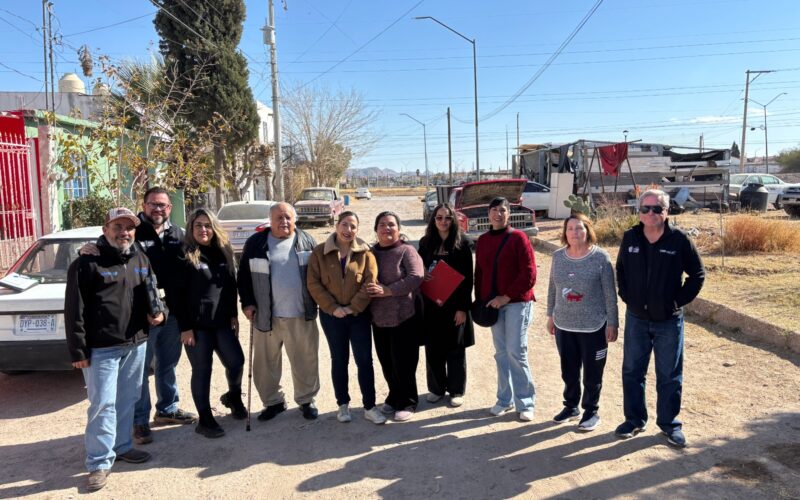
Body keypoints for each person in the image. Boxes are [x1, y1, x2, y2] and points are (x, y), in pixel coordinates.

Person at [82, 187, 196, 444]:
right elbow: (107, 246)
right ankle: (139, 420)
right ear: (144, 206)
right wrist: (87, 248)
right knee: (141, 371)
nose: (158, 209)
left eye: (163, 205)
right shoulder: (132, 230)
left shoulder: (178, 234)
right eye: (153, 204)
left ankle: (167, 409)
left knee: (168, 363)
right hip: (142, 316)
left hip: (172, 313)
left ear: (170, 208)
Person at [65, 207, 164, 492]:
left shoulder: (140, 258)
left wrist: (161, 313)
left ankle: (121, 446)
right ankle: (98, 462)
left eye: (129, 227)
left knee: (127, 399)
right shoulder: (86, 263)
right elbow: (74, 309)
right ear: (105, 230)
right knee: (102, 405)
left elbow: (153, 291)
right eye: (117, 227)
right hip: (101, 348)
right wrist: (78, 351)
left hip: (136, 343)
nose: (124, 232)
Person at [615, 189, 705, 448]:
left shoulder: (679, 240)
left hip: (668, 321)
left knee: (669, 374)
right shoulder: (630, 237)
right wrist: (627, 297)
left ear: (666, 211)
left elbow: (697, 275)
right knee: (632, 371)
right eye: (646, 208)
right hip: (637, 318)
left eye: (657, 208)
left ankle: (669, 424)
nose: (651, 213)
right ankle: (634, 420)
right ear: (639, 211)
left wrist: (676, 302)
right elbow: (621, 269)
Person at [238, 202, 321, 422]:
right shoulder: (256, 243)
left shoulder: (307, 241)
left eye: (288, 217)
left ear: (295, 220)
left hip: (301, 314)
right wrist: (247, 303)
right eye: (279, 218)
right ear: (270, 220)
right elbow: (243, 277)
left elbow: (319, 276)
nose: (284, 222)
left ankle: (306, 400)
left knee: (305, 360)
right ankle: (273, 402)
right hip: (266, 316)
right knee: (265, 364)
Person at [307, 211, 386, 425]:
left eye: (353, 226)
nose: (348, 230)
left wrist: (352, 307)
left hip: (358, 316)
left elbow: (370, 282)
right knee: (339, 359)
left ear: (357, 229)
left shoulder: (366, 254)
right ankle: (342, 405)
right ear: (336, 225)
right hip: (332, 317)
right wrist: (333, 308)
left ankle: (370, 407)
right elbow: (313, 283)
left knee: (364, 360)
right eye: (344, 224)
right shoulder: (319, 253)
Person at [175, 208, 246, 438]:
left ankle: (233, 397)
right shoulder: (184, 254)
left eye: (207, 225)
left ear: (214, 228)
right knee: (202, 369)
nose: (203, 230)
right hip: (196, 327)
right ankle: (205, 419)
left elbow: (230, 286)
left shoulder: (223, 251)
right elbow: (177, 295)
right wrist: (185, 327)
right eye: (198, 225)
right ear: (191, 228)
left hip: (222, 322)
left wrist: (233, 314)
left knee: (236, 361)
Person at [546, 213, 618, 432]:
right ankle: (571, 407)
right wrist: (550, 315)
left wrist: (613, 323)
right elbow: (553, 288)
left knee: (592, 373)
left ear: (588, 231)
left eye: (579, 228)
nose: (574, 233)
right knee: (568, 370)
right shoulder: (558, 257)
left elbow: (610, 294)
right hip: (564, 325)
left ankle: (591, 411)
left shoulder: (600, 258)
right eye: (570, 229)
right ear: (564, 233)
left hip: (593, 326)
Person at [474, 197, 537, 422]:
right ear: (488, 214)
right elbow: (479, 273)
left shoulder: (519, 238)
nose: (498, 214)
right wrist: (480, 300)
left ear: (509, 214)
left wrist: (506, 296)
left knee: (515, 351)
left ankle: (525, 402)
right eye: (494, 210)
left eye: (502, 210)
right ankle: (504, 399)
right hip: (493, 305)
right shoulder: (482, 240)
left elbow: (529, 273)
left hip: (517, 302)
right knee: (501, 353)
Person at [367, 211, 424, 422]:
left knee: (404, 362)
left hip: (404, 316)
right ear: (376, 229)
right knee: (386, 361)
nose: (387, 228)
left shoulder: (406, 251)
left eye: (391, 224)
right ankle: (394, 395)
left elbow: (416, 276)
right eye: (382, 224)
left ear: (399, 229)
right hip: (378, 317)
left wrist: (389, 290)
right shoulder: (370, 253)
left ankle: (408, 401)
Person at [418, 203, 474, 408]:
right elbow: (417, 267)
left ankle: (456, 390)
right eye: (439, 217)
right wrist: (422, 271)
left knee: (455, 349)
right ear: (433, 220)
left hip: (455, 305)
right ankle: (436, 388)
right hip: (431, 304)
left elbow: (468, 279)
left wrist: (463, 308)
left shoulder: (463, 243)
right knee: (433, 349)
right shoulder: (425, 243)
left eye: (447, 217)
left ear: (453, 220)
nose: (443, 221)